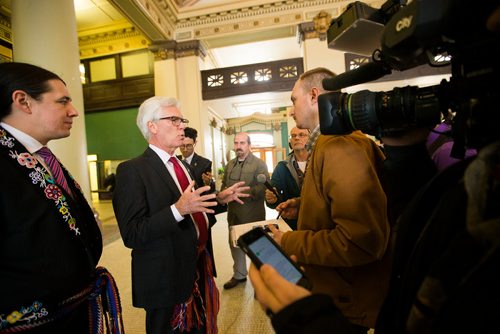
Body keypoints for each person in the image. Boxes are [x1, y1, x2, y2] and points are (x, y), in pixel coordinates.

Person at [0, 62, 122, 333]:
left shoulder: (38, 154)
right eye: (62, 101)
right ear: (23, 101)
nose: (74, 111)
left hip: (72, 314)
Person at [112, 96, 250, 334]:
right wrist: (178, 210)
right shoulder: (132, 170)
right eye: (173, 120)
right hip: (164, 275)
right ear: (152, 126)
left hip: (196, 265)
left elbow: (192, 206)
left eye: (181, 120)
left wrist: (218, 199)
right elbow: (133, 234)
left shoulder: (182, 165)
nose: (182, 126)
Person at [270, 67, 390, 331]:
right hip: (335, 292)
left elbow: (359, 241)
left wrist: (287, 240)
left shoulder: (339, 144)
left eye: (293, 100)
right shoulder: (326, 141)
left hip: (347, 304)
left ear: (314, 96)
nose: (290, 110)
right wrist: (303, 205)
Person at [221, 132, 268, 290]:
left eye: (242, 143)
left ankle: (261, 281)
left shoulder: (259, 164)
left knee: (256, 247)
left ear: (249, 145)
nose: (239, 146)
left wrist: (241, 194)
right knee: (234, 245)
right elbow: (223, 188)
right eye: (236, 143)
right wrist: (225, 194)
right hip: (233, 214)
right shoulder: (229, 165)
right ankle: (239, 275)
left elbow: (262, 188)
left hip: (252, 214)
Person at [265, 127, 309, 230]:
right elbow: (275, 200)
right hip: (291, 225)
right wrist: (271, 199)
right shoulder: (281, 167)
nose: (296, 138)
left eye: (301, 135)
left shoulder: (320, 162)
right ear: (290, 141)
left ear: (310, 139)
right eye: (293, 136)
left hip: (318, 223)